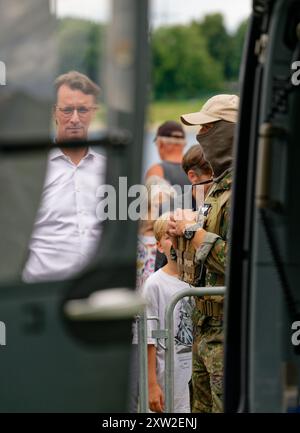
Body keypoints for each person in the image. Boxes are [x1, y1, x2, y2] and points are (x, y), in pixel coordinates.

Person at [167, 94, 239, 412]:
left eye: (208, 128)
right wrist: (181, 234)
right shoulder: (218, 186)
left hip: (228, 331)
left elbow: (242, 260)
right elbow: (203, 256)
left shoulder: (242, 189)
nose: (200, 137)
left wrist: (195, 234)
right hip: (205, 328)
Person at [22, 71, 106, 282]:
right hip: (43, 288)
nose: (75, 119)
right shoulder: (32, 169)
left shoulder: (108, 170)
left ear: (94, 112)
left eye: (83, 110)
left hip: (94, 290)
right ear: (54, 112)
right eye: (67, 110)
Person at [143, 212, 194, 413]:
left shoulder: (200, 278)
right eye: (167, 237)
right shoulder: (154, 285)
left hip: (197, 379)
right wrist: (152, 385)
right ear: (159, 245)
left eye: (179, 236)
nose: (174, 242)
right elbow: (148, 339)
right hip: (169, 383)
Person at [146, 120, 190, 190]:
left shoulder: (157, 171)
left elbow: (156, 200)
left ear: (160, 143)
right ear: (184, 144)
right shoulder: (197, 168)